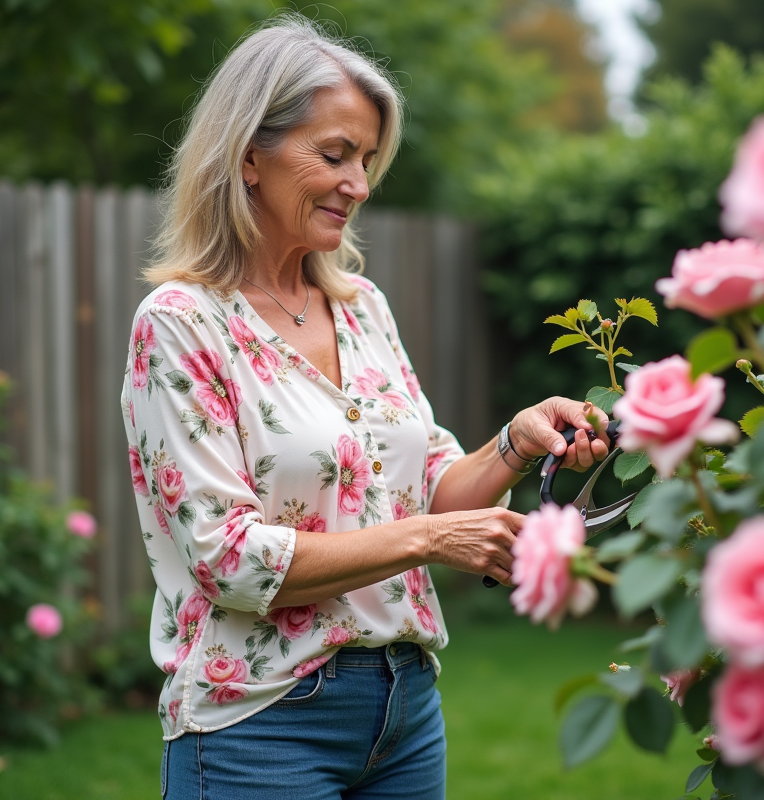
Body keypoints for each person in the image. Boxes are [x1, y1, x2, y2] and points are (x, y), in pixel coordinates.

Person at [122, 15, 610, 800]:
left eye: (369, 159)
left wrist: (514, 446)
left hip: (405, 710)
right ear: (249, 156)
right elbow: (230, 561)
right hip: (261, 725)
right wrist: (431, 539)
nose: (360, 183)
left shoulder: (360, 306)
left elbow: (426, 493)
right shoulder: (182, 326)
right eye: (336, 154)